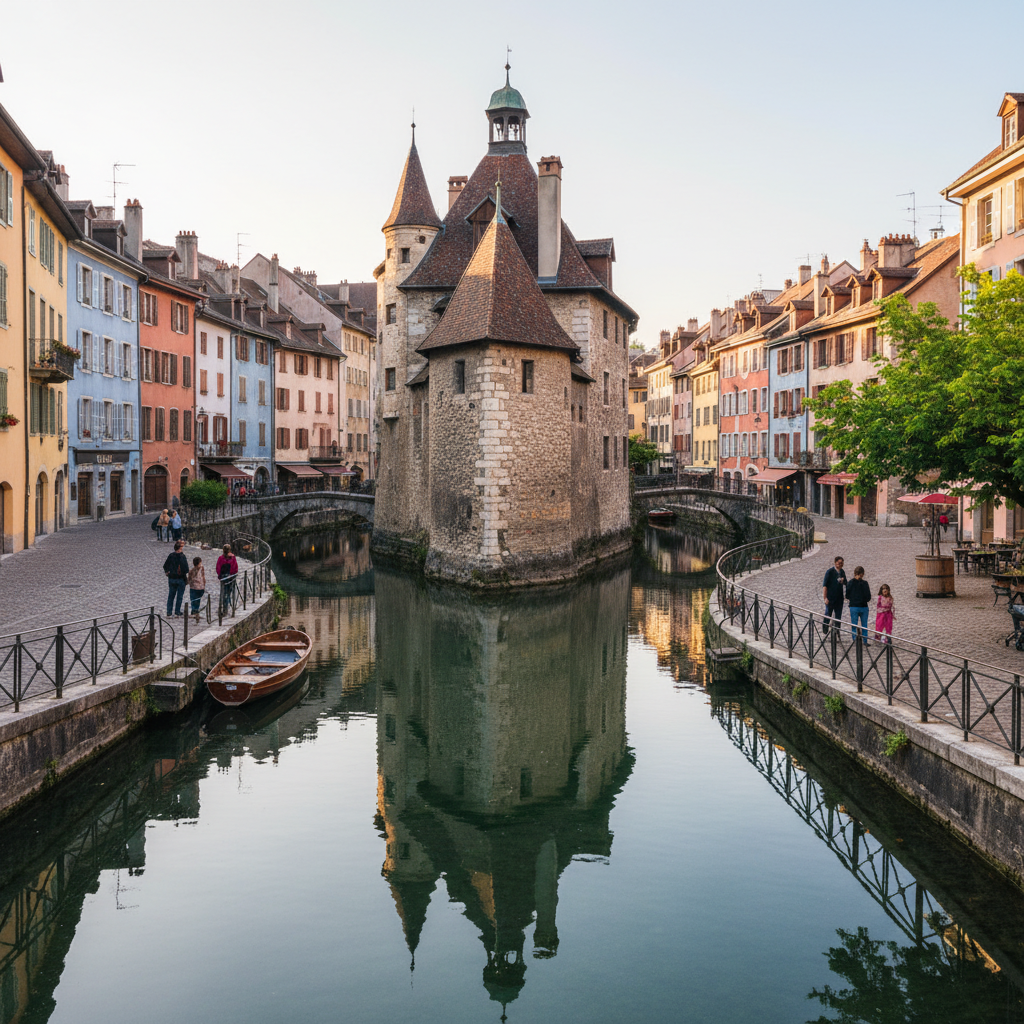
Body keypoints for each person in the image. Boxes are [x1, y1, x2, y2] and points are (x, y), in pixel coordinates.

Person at [163, 541, 189, 617]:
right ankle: (177, 611)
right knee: (179, 596)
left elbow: (165, 565)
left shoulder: (171, 556)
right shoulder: (182, 557)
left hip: (171, 578)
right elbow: (186, 569)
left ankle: (169, 611)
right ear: (180, 548)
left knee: (171, 595)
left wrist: (167, 572)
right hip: (180, 579)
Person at [846, 566, 872, 644]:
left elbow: (847, 595)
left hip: (854, 606)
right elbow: (869, 596)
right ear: (863, 574)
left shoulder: (850, 583)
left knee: (854, 625)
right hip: (864, 607)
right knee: (864, 625)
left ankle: (855, 640)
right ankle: (865, 641)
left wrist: (853, 599)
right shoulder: (865, 583)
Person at [822, 556, 847, 633]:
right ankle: (825, 630)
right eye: (839, 563)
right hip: (830, 598)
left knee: (838, 616)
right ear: (835, 562)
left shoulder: (842, 572)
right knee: (828, 614)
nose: (840, 565)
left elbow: (846, 583)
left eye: (842, 563)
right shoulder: (829, 572)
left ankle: (837, 631)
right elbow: (825, 585)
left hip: (839, 598)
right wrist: (825, 597)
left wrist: (843, 581)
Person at [216, 543, 238, 614]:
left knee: (224, 592)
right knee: (229, 592)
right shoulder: (233, 557)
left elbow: (218, 568)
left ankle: (224, 607)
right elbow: (235, 567)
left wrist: (220, 575)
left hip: (223, 577)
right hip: (231, 577)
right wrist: (233, 574)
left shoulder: (221, 558)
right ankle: (227, 606)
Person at [187, 557, 206, 621]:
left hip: (194, 587)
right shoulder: (201, 568)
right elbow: (203, 576)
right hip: (199, 587)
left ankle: (194, 611)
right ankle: (196, 611)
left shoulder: (192, 571)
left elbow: (189, 579)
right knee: (197, 600)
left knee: (194, 600)